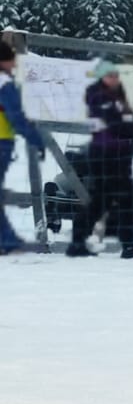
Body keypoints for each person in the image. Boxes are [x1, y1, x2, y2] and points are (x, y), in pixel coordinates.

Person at [68, 59, 133, 258]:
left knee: (118, 200)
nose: (114, 79)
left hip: (120, 154)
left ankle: (126, 244)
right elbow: (115, 124)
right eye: (110, 76)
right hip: (104, 155)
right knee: (105, 201)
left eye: (116, 75)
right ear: (102, 77)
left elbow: (130, 118)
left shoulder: (117, 96)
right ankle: (85, 241)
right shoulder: (98, 96)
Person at [0, 40, 46, 255]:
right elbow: (17, 117)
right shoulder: (4, 84)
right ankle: (6, 241)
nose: (14, 65)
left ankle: (7, 240)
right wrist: (36, 139)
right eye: (11, 60)